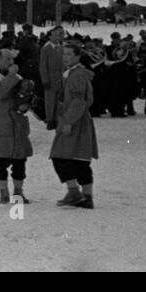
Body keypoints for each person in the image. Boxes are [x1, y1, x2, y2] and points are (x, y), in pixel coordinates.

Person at [50, 40, 98, 209]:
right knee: (80, 159)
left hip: (75, 121)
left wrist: (69, 121)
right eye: (64, 54)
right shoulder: (74, 73)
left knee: (60, 156)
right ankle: (86, 196)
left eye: (70, 54)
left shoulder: (76, 75)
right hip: (79, 120)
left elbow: (79, 101)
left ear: (78, 56)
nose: (65, 57)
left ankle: (74, 192)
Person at [0, 49, 34, 204]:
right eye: (7, 59)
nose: (11, 62)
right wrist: (13, 76)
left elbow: (26, 96)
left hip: (17, 124)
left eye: (12, 59)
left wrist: (26, 103)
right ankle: (4, 192)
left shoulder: (18, 77)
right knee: (1, 162)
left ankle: (18, 192)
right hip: (1, 124)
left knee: (20, 162)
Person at [38, 25, 65, 130]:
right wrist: (45, 80)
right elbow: (43, 66)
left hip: (60, 79)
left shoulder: (62, 48)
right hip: (50, 79)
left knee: (59, 100)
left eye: (62, 34)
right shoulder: (46, 48)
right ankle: (50, 120)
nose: (61, 36)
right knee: (50, 100)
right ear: (51, 35)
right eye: (59, 34)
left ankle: (57, 119)